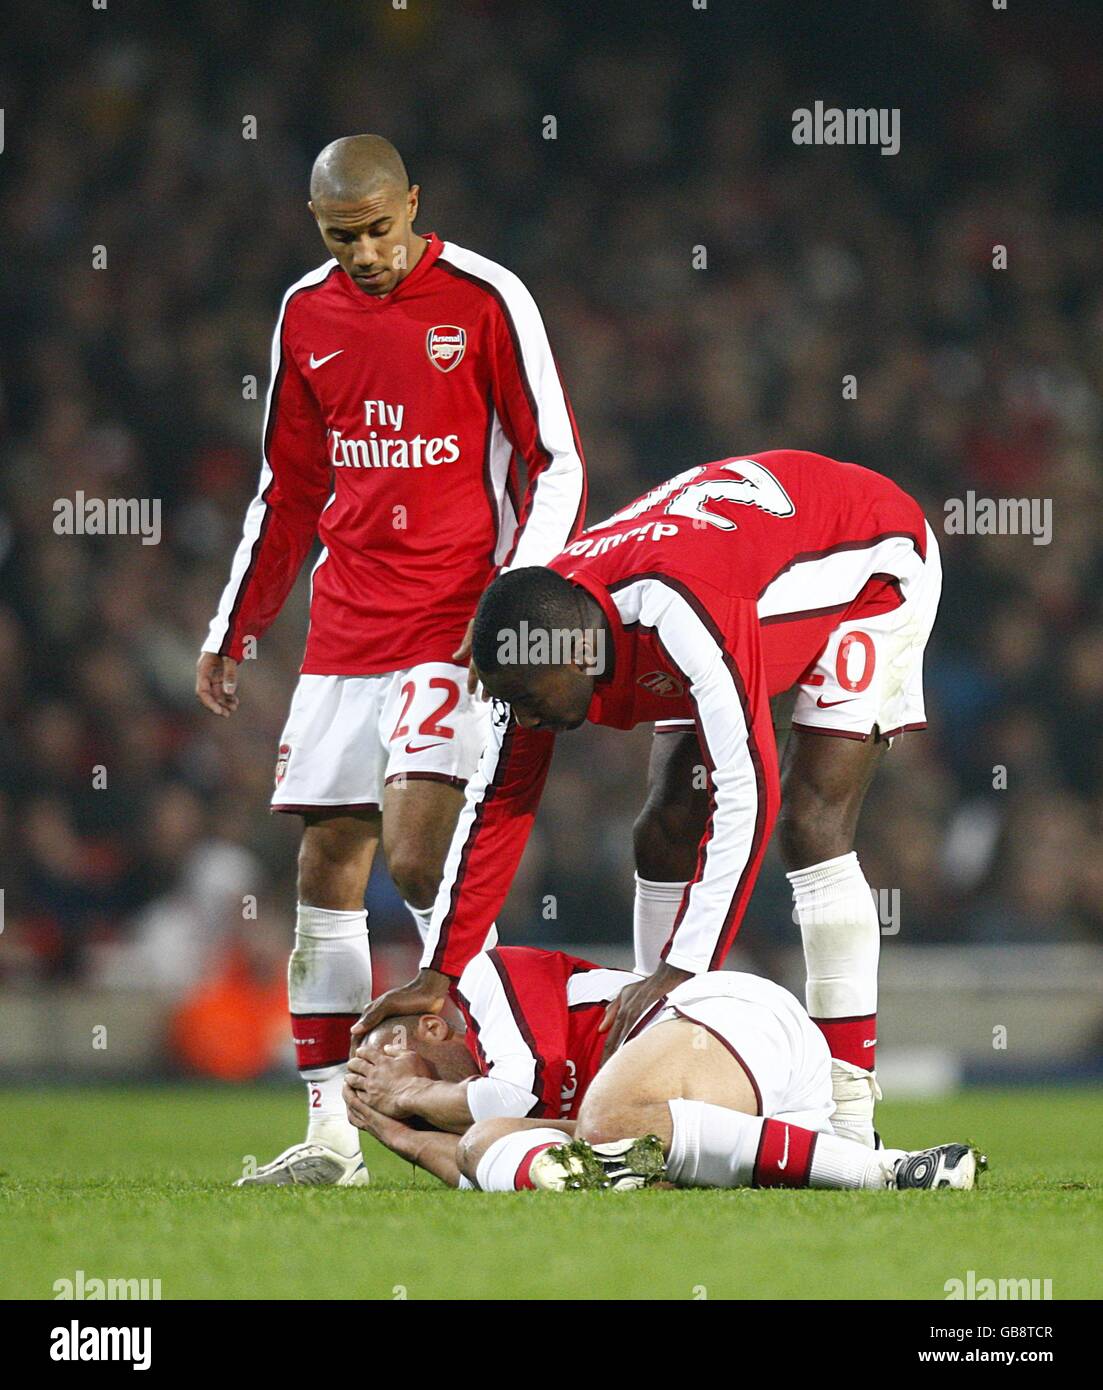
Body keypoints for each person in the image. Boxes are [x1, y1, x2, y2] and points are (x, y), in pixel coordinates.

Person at [196, 134, 586, 1186]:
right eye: (341, 235)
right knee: (325, 864)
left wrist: (515, 600)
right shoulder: (304, 314)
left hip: (454, 624)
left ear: (413, 203)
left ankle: (517, 1085)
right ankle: (330, 1132)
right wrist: (236, 624)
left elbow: (554, 460)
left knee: (420, 861)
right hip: (345, 627)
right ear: (314, 224)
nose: (365, 252)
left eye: (379, 229)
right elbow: (287, 485)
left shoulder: (486, 297)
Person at [355, 451, 942, 1149]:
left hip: (869, 562)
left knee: (810, 827)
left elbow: (746, 790)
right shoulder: (540, 634)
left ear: (574, 659)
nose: (521, 715)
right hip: (740, 581)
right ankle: (653, 1047)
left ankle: (848, 1115)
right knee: (662, 827)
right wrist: (440, 968)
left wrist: (683, 970)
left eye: (523, 697)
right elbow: (498, 805)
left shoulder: (678, 612)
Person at [341, 944, 982, 1193]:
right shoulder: (462, 1112)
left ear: (432, 1024)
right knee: (490, 1146)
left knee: (604, 1122)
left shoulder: (485, 978)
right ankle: (647, 1179)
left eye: (390, 1052)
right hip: (750, 1122)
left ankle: (887, 1170)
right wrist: (405, 1136)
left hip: (729, 1021)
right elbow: (479, 1157)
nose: (388, 1080)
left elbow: (523, 1087)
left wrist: (415, 1090)